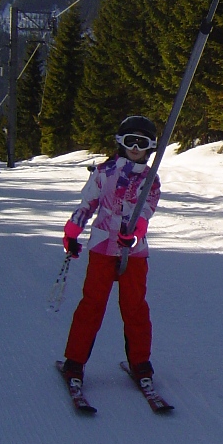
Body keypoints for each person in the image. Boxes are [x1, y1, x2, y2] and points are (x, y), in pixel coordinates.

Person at [60, 115, 161, 385]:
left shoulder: (150, 180)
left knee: (135, 307)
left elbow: (146, 212)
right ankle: (74, 362)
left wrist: (135, 234)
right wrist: (72, 232)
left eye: (142, 143)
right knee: (92, 305)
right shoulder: (104, 172)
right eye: (130, 141)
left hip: (133, 253)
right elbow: (87, 204)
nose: (135, 148)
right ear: (120, 142)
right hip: (103, 248)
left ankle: (140, 363)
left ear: (151, 147)